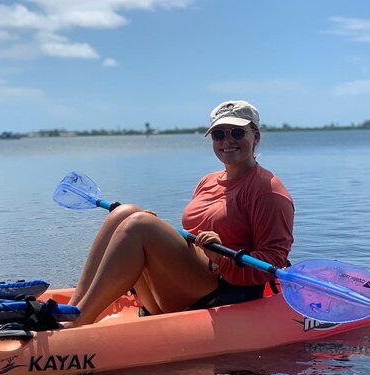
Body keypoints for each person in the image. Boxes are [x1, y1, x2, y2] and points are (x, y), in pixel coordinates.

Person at [67, 100, 294, 326]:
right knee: (125, 213)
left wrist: (221, 259)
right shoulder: (208, 181)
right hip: (181, 287)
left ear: (255, 136)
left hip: (221, 291)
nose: (227, 141)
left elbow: (274, 261)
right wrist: (155, 231)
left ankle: (77, 324)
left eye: (237, 132)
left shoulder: (268, 190)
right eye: (218, 135)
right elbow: (190, 236)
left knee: (139, 225)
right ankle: (71, 310)